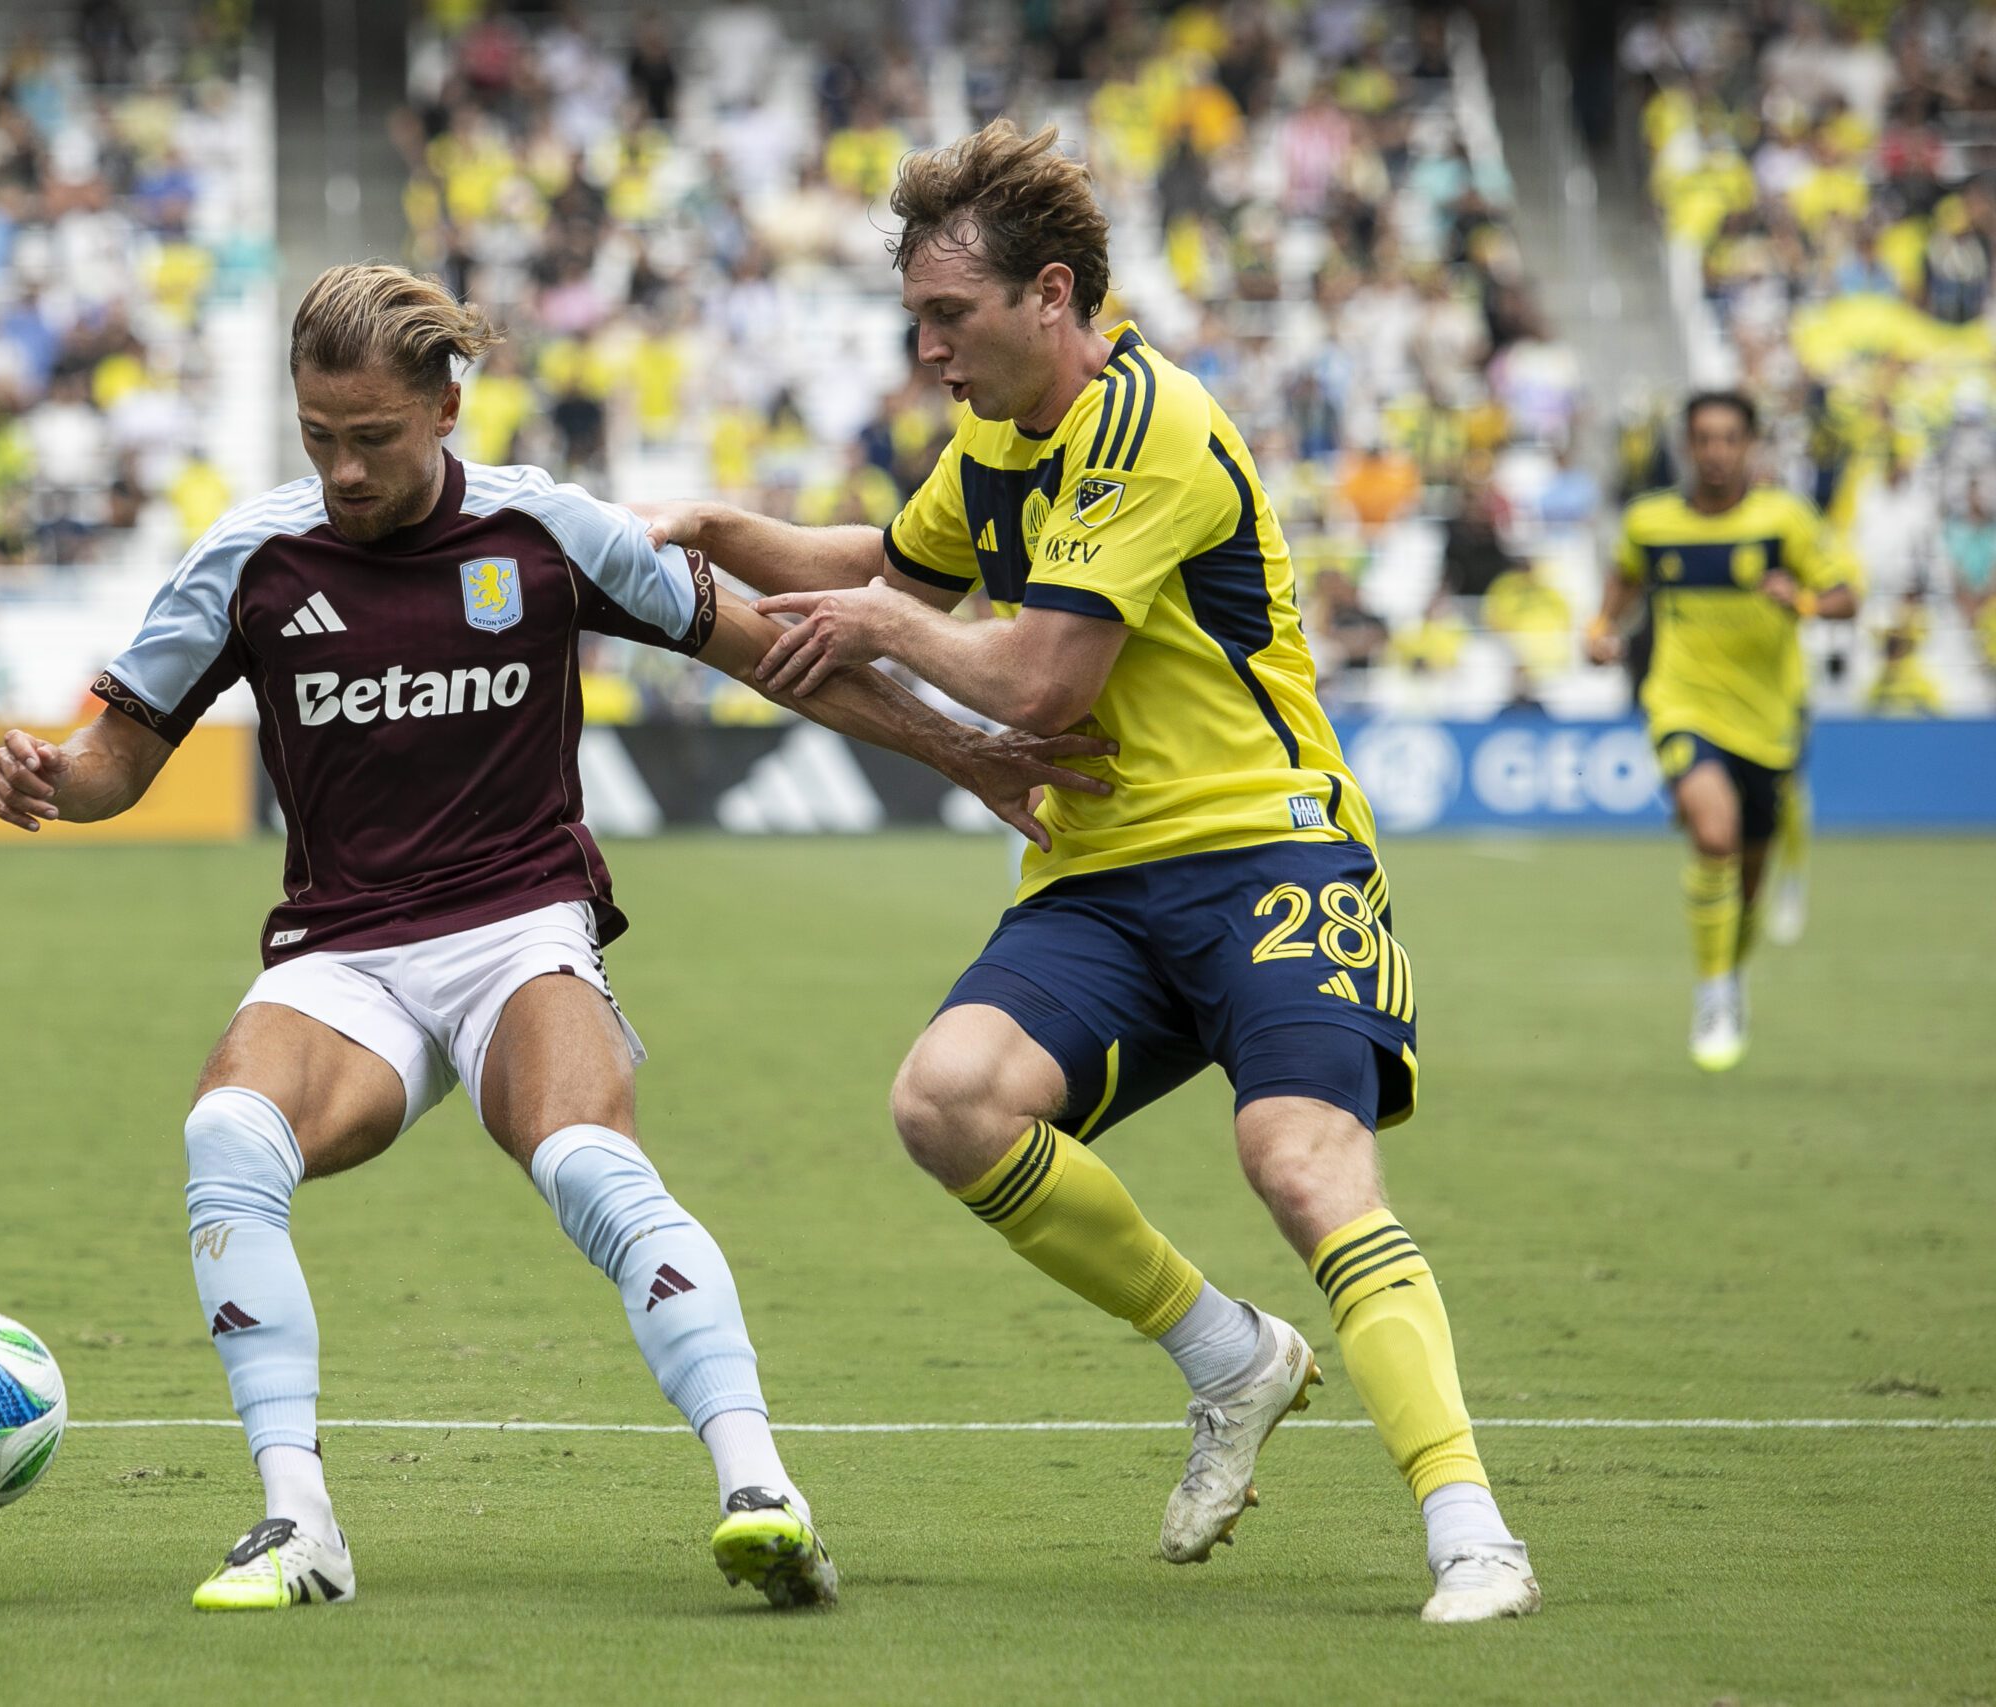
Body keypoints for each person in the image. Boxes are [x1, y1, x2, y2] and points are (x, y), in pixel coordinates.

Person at [0, 264, 1105, 1614]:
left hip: (519, 929)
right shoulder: (250, 559)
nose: (344, 469)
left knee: (582, 1156)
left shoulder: (550, 530)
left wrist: (968, 750)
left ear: (447, 406)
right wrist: (54, 777)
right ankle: (299, 1522)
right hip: (341, 957)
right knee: (225, 1137)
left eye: (374, 438)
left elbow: (770, 651)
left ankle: (763, 1490)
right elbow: (118, 758)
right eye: (319, 437)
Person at [637, 120, 1539, 1625]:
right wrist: (731, 531)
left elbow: (1036, 678)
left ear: (1052, 295)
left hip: (1269, 846)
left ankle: (1473, 1529)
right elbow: (905, 565)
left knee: (1301, 1164)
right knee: (948, 1097)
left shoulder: (1152, 427)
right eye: (918, 318)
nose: (929, 349)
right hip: (1104, 869)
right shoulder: (999, 430)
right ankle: (1229, 1355)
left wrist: (870, 625)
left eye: (953, 316)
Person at [1588, 392, 1859, 1070]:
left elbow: (1844, 596)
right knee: (1713, 833)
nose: (1715, 451)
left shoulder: (1782, 520)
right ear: (1687, 445)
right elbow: (1624, 581)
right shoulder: (1651, 521)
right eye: (1704, 438)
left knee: (1748, 884)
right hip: (1683, 705)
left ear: (1750, 446)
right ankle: (1712, 993)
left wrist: (1797, 599)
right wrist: (1600, 629)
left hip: (1766, 720)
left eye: (1729, 438)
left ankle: (1730, 974)